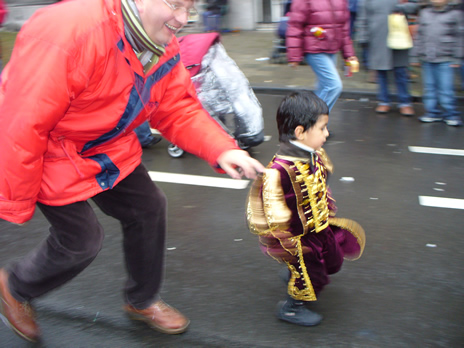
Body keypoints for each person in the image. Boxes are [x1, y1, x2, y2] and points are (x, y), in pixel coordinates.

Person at [0, 0, 264, 343]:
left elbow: (176, 107)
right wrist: (14, 201)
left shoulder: (159, 42)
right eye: (175, 3)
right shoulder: (70, 30)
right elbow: (23, 119)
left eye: (190, 8)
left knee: (149, 208)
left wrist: (222, 147)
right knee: (82, 241)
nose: (183, 19)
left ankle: (142, 300)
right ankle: (15, 287)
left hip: (107, 147)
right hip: (54, 149)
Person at [246, 91, 365, 327]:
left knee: (333, 261)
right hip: (298, 239)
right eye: (322, 129)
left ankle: (295, 272)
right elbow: (267, 213)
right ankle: (292, 307)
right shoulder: (277, 172)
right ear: (300, 132)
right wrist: (286, 246)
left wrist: (324, 205)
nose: (327, 134)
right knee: (312, 274)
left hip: (319, 226)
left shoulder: (315, 154)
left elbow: (322, 181)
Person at [286, 0, 358, 113]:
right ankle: (312, 122)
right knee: (333, 86)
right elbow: (295, 25)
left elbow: (344, 29)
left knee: (323, 89)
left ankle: (319, 127)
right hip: (314, 49)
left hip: (332, 49)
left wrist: (349, 54)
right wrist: (294, 55)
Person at [356, 0, 420, 117]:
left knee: (401, 71)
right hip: (377, 37)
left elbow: (416, 6)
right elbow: (362, 17)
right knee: (381, 72)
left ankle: (405, 103)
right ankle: (384, 101)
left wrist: (402, 7)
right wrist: (363, 37)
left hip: (399, 35)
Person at [411, 0, 463, 127]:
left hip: (446, 58)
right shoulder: (425, 13)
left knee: (446, 89)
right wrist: (415, 56)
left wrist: (457, 57)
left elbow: (459, 37)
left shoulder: (455, 14)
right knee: (429, 88)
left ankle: (450, 114)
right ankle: (432, 112)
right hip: (428, 57)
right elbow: (420, 36)